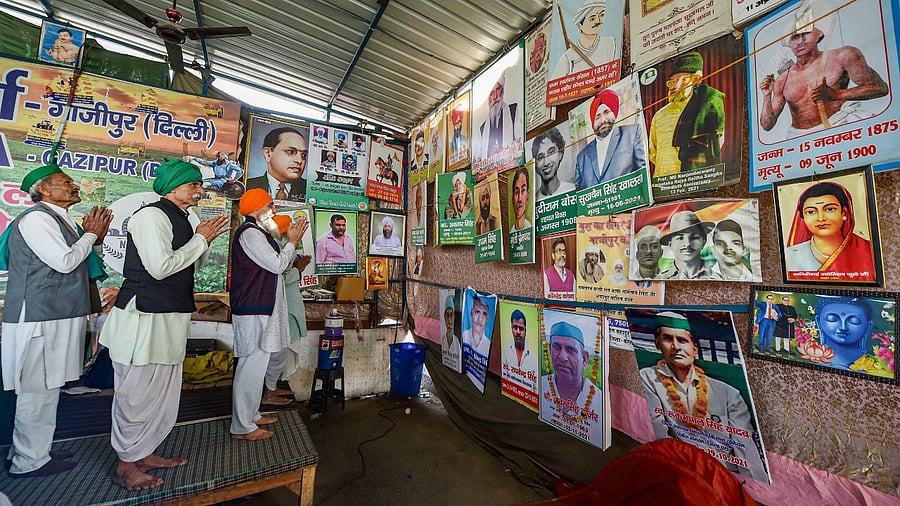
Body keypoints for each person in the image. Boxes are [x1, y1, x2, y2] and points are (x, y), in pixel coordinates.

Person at [100, 159, 230, 490]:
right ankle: (126, 464)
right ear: (173, 187)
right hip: (143, 319)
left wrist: (204, 241)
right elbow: (160, 268)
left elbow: (189, 265)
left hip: (167, 316)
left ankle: (143, 452)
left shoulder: (184, 218)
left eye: (199, 184)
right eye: (193, 185)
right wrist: (200, 239)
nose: (200, 190)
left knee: (161, 392)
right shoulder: (151, 216)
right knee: (136, 393)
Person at [1, 163, 112, 478]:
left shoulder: (60, 220)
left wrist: (93, 237)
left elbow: (81, 260)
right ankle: (26, 461)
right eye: (66, 182)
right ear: (45, 190)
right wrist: (91, 234)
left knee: (48, 387)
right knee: (36, 389)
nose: (74, 185)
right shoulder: (37, 219)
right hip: (38, 316)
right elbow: (65, 262)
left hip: (56, 313)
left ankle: (35, 452)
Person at [639, 311, 767, 482]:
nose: (676, 347)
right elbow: (659, 434)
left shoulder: (728, 394)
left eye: (683, 340)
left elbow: (746, 454)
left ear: (695, 349)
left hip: (725, 475)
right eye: (668, 339)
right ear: (657, 344)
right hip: (680, 469)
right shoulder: (649, 378)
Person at [230, 189, 305, 441]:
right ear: (257, 208)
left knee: (256, 366)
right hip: (253, 310)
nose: (273, 210)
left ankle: (251, 416)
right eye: (270, 206)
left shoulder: (259, 232)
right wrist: (292, 241)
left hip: (260, 308)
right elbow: (277, 265)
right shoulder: (250, 233)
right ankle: (241, 426)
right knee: (249, 367)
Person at [758, 12, 888, 136]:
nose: (800, 41)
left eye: (806, 33)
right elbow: (767, 125)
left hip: (841, 125)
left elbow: (880, 88)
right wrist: (766, 96)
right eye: (794, 37)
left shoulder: (843, 55)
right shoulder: (782, 79)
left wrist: (836, 95)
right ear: (789, 43)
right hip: (800, 138)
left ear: (819, 33)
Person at [648, 51, 725, 176]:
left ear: (695, 80)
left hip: (695, 179)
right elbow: (653, 153)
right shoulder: (659, 115)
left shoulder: (707, 109)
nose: (672, 86)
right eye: (670, 82)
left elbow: (716, 143)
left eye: (678, 80)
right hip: (664, 183)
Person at [263, 215, 311, 407]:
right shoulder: (275, 247)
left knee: (283, 350)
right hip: (282, 307)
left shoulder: (283, 246)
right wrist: (298, 270)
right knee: (279, 351)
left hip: (288, 304)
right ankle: (269, 392)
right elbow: (278, 277)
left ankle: (272, 388)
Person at [784, 181, 875, 280]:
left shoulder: (869, 251)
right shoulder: (790, 256)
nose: (821, 218)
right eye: (811, 212)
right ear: (803, 218)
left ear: (844, 213)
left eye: (830, 209)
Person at [539, 321, 604, 440]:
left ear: (584, 359)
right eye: (556, 347)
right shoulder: (539, 385)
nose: (562, 357)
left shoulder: (599, 401)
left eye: (570, 350)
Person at [575, 88, 647, 190]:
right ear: (592, 123)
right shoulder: (582, 157)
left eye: (607, 112)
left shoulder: (632, 133)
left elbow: (644, 173)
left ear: (614, 113)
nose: (603, 120)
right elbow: (579, 193)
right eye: (597, 117)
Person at [815, 296, 885, 375]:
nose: (843, 327)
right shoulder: (811, 358)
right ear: (819, 322)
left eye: (854, 321)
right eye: (832, 319)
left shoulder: (876, 368)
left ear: (868, 327)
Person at [551, 1, 616, 80]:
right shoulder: (568, 56)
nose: (598, 21)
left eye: (601, 15)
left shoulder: (609, 43)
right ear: (579, 26)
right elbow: (555, 86)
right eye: (592, 19)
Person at [246, 127, 308, 201]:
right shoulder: (247, 186)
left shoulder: (311, 191)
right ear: (268, 154)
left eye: (303, 155)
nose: (299, 160)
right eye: (290, 151)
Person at [658, 210, 715, 280]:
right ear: (670, 245)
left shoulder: (719, 280)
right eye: (680, 238)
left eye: (694, 238)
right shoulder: (660, 281)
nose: (687, 244)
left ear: (704, 241)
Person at [477, 72, 522, 159]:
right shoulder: (482, 129)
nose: (495, 96)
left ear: (503, 90)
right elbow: (480, 160)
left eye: (498, 89)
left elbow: (520, 142)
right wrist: (491, 156)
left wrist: (504, 152)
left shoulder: (514, 111)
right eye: (491, 93)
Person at [533, 127, 575, 200]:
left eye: (551, 152)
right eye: (540, 157)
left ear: (560, 154)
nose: (546, 163)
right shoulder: (533, 202)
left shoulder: (573, 189)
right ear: (535, 166)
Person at [501, 310, 538, 375]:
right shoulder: (506, 351)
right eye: (515, 327)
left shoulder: (533, 359)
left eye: (521, 328)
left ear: (525, 331)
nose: (518, 332)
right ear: (511, 329)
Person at [441, 295, 461, 370]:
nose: (449, 320)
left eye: (451, 315)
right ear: (444, 317)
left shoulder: (457, 342)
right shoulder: (443, 339)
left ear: (454, 317)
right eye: (447, 315)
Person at [509, 168, 531, 233]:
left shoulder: (530, 228)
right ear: (513, 199)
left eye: (523, 190)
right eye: (516, 192)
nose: (519, 199)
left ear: (527, 196)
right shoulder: (511, 232)